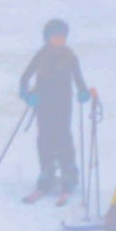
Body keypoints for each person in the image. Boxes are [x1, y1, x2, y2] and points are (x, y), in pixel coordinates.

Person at [19, 18, 91, 204]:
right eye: (56, 37)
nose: (60, 40)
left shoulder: (70, 56)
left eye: (62, 37)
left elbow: (78, 78)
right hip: (43, 104)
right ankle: (47, 175)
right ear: (47, 38)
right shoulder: (41, 55)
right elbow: (24, 79)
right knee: (44, 139)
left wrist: (83, 91)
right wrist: (27, 95)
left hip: (63, 104)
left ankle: (69, 177)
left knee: (63, 139)